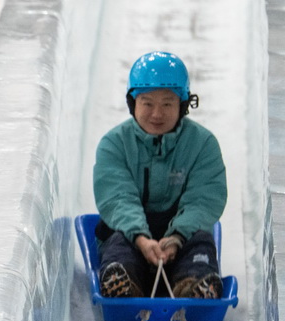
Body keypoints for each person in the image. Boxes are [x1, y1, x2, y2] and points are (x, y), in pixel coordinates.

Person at [94, 50, 227, 299]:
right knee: (118, 241)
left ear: (183, 105)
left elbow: (204, 199)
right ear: (133, 103)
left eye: (167, 103)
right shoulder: (114, 144)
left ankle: (195, 284)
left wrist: (176, 237)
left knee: (200, 242)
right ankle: (122, 282)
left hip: (181, 238)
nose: (157, 114)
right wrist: (141, 239)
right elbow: (117, 197)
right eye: (147, 103)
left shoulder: (202, 144)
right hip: (131, 237)